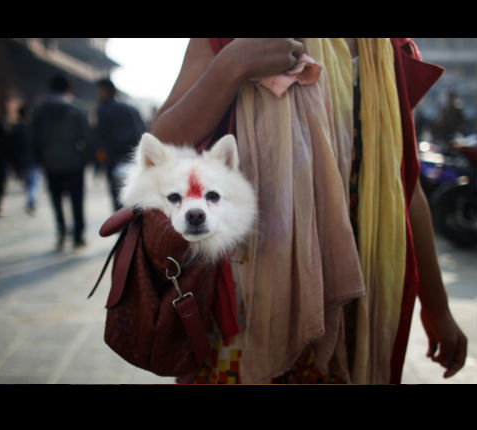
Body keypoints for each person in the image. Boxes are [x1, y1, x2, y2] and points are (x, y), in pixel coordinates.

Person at [149, 38, 467, 384]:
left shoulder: (389, 48)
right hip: (246, 296)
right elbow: (163, 145)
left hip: (354, 293)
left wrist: (436, 306)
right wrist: (233, 63)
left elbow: (404, 181)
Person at [31, 74, 90, 251]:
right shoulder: (77, 108)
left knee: (56, 199)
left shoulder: (40, 109)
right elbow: (86, 136)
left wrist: (39, 158)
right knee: (77, 199)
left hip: (50, 161)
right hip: (74, 161)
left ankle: (61, 230)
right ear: (69, 88)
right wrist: (85, 158)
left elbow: (34, 137)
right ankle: (78, 235)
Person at [95, 78, 146, 211]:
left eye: (99, 91)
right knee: (137, 195)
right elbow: (144, 132)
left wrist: (99, 163)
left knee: (118, 197)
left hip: (114, 159)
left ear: (106, 90)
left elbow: (101, 137)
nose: (98, 94)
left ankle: (122, 228)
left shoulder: (103, 109)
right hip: (135, 157)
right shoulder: (130, 108)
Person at [7, 105, 39, 215]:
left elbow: (10, 146)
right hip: (33, 159)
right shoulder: (33, 127)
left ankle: (31, 199)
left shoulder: (14, 128)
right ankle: (31, 200)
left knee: (28, 182)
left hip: (20, 160)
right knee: (33, 182)